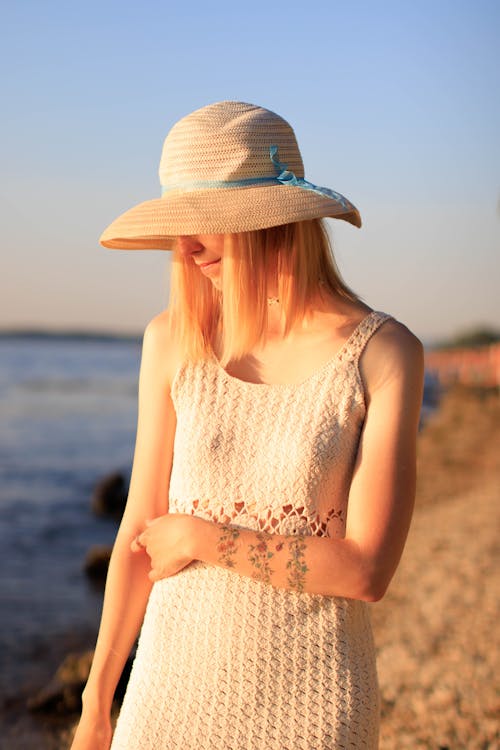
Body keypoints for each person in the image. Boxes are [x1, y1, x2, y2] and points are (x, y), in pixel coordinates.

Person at [70, 101, 424, 750]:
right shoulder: (175, 341)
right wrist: (97, 703)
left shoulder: (382, 353)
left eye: (209, 222)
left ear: (274, 220)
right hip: (166, 694)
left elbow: (366, 572)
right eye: (181, 223)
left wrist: (203, 537)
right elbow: (138, 532)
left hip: (314, 705)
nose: (188, 244)